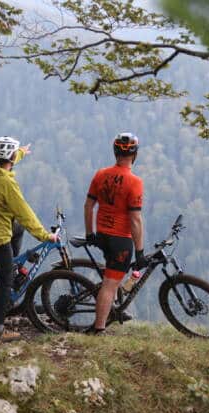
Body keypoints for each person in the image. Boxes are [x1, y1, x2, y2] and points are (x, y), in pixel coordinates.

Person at [0, 136, 58, 342]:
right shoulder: (6, 183)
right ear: (9, 156)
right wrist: (45, 235)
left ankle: (10, 265)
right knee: (6, 282)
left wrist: (21, 153)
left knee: (18, 229)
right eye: (14, 154)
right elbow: (24, 212)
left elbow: (6, 161)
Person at [83, 132, 148, 335]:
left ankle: (111, 309)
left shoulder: (101, 174)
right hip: (121, 239)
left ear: (115, 152)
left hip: (102, 234)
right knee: (110, 284)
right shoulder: (134, 181)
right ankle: (99, 327)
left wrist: (90, 234)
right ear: (135, 155)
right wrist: (140, 252)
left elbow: (88, 205)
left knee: (112, 277)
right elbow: (135, 220)